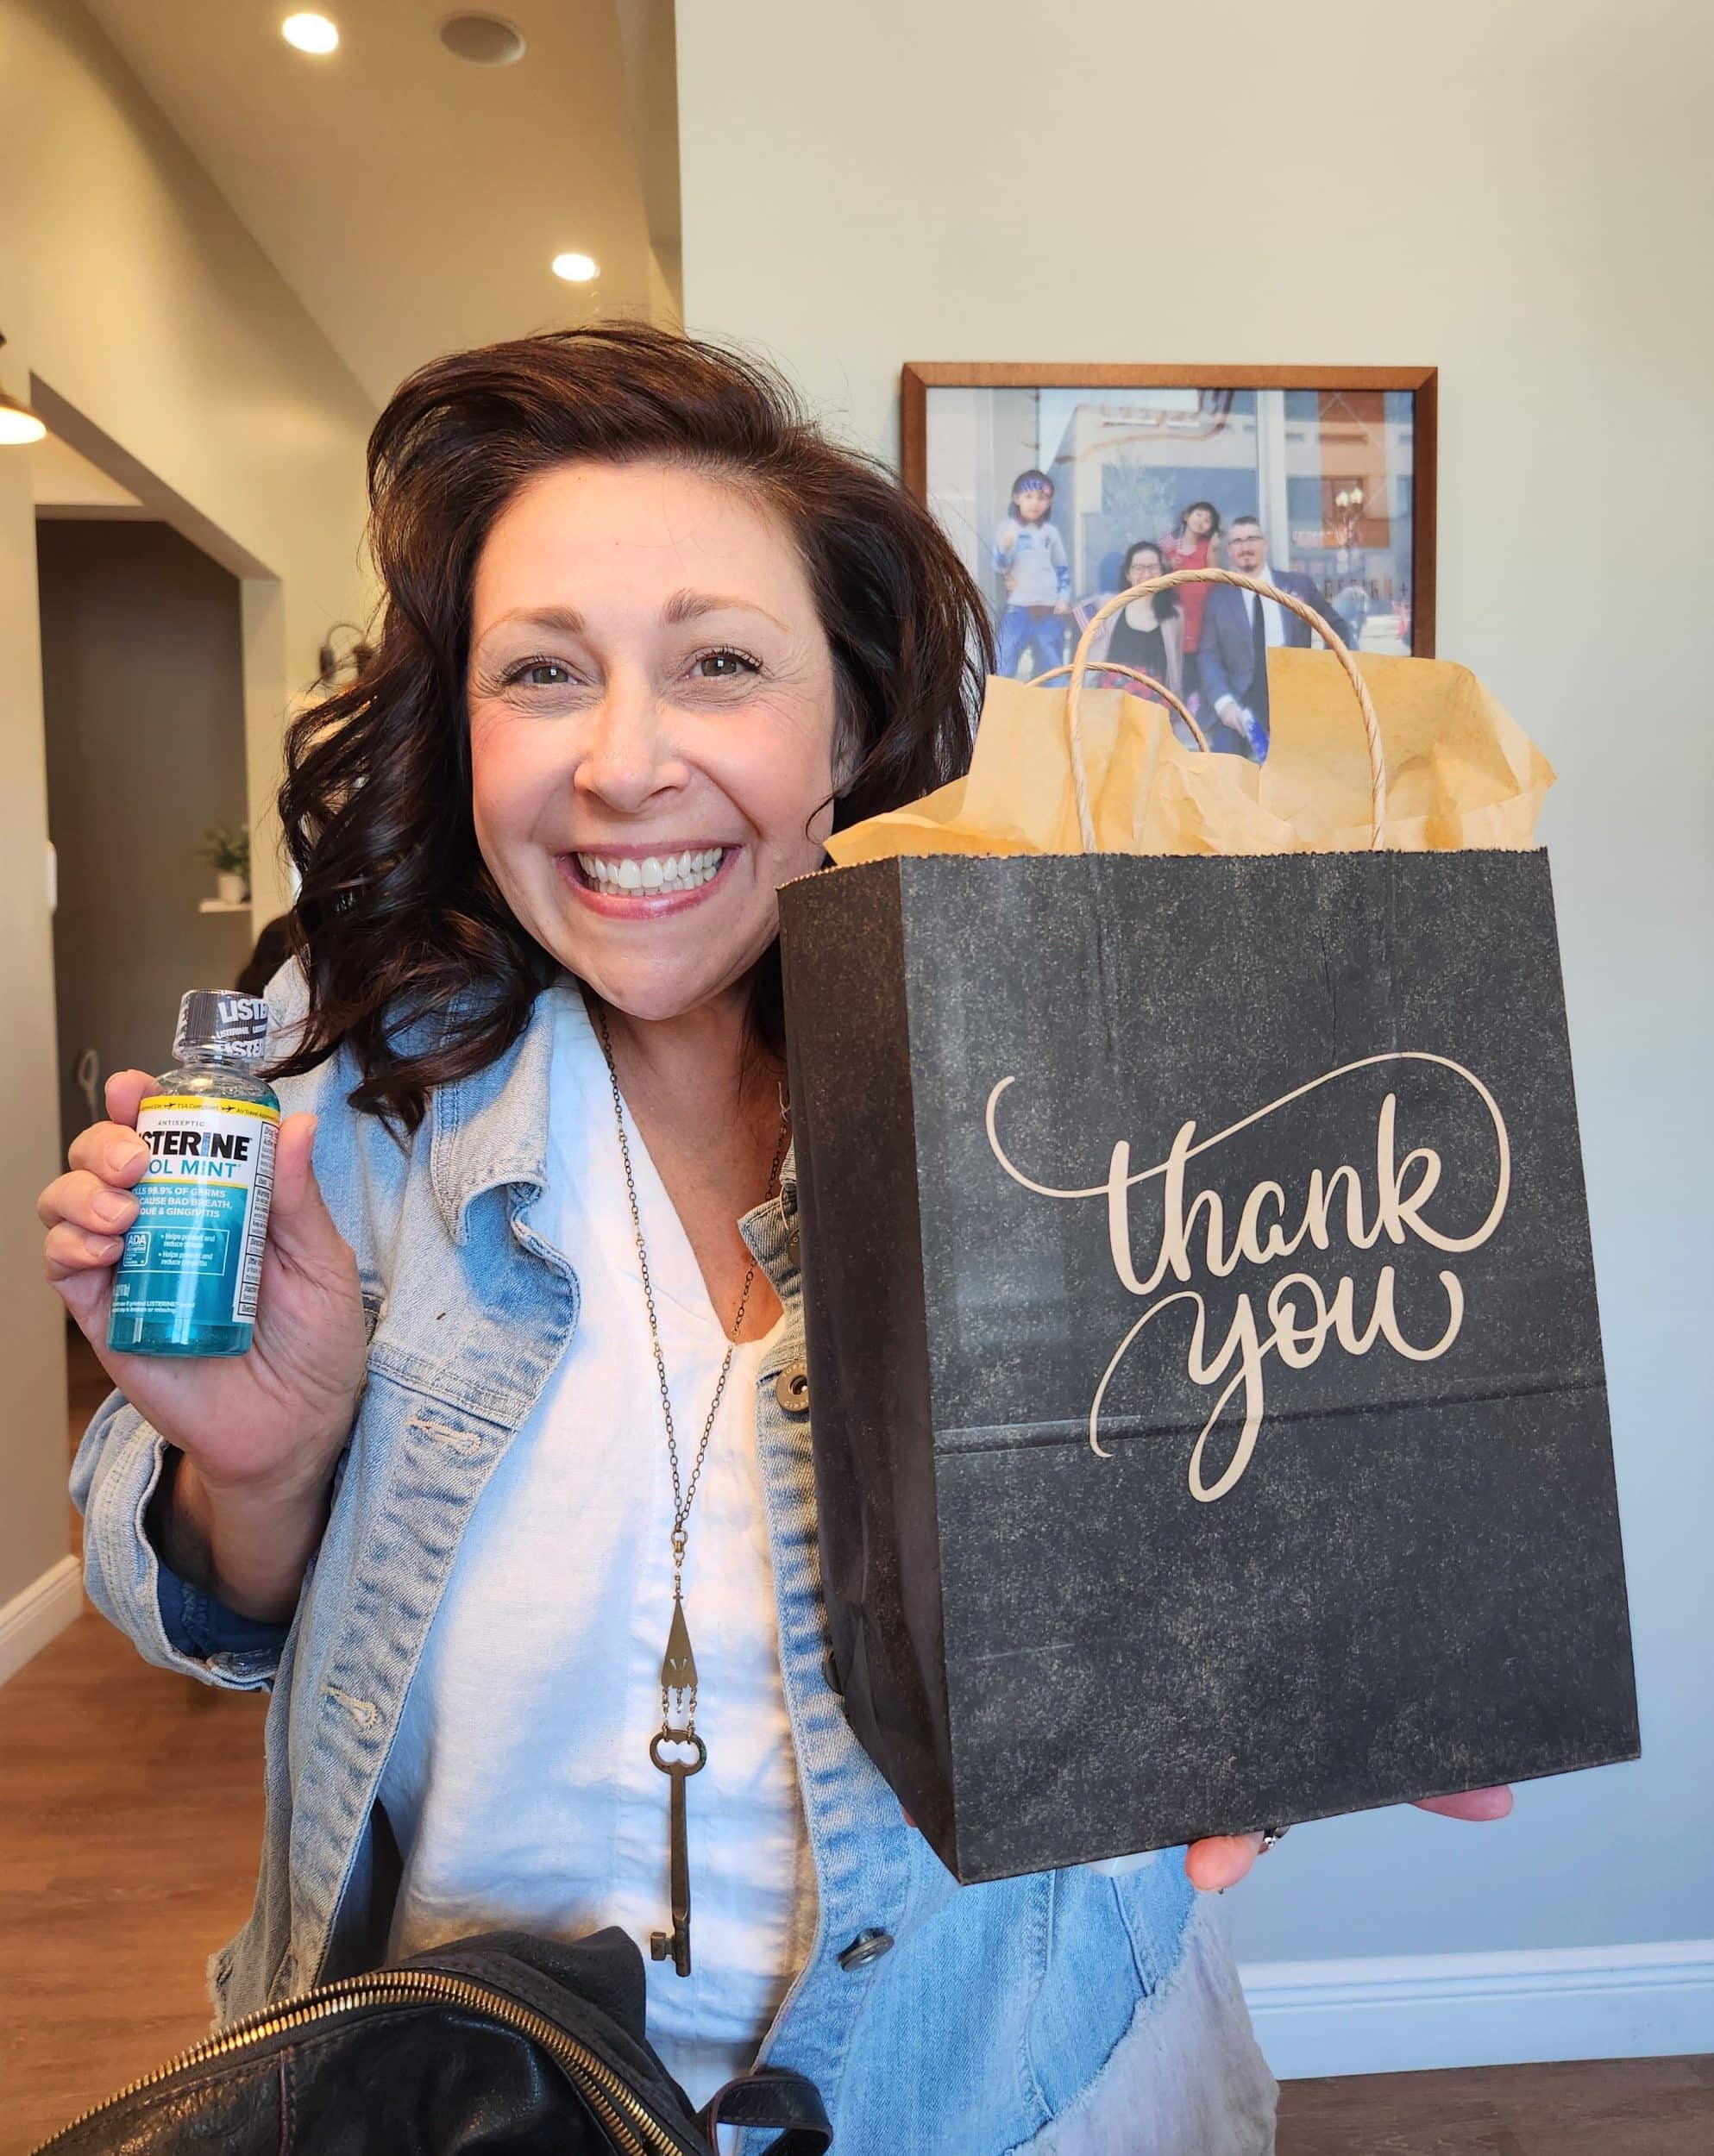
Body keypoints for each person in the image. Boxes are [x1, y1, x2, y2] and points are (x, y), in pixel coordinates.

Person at [42, 326, 1506, 2154]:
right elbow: (189, 1596)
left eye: (719, 663)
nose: (623, 764)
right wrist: (257, 1474)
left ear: (850, 720)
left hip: (1015, 2087)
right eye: (543, 673)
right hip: (461, 2101)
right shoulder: (347, 1111)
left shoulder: (1099, 1103)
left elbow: (1221, 1528)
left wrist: (1361, 1633)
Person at [1196, 514, 1347, 757]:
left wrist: (1323, 677)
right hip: (1238, 703)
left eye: (1252, 538)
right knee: (1225, 778)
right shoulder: (1218, 598)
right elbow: (1208, 656)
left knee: (1296, 778)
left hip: (1292, 699)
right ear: (1230, 551)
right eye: (1237, 542)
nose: (1245, 547)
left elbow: (1337, 629)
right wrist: (1224, 704)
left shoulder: (1298, 586)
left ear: (1265, 544)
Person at [1079, 539, 1192, 740]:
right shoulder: (1108, 607)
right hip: (1111, 708)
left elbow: (1177, 664)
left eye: (1153, 568)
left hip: (1155, 711)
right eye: (1139, 568)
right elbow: (1078, 627)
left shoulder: (1174, 616)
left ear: (1163, 572)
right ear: (1128, 573)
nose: (1146, 575)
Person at [993, 467, 1071, 678]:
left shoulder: (1050, 533)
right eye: (1028, 496)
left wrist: (1063, 598)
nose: (1035, 503)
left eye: (1042, 498)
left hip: (1049, 610)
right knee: (1004, 664)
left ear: (1050, 502)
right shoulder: (1007, 528)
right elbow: (999, 566)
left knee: (1052, 670)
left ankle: (1049, 710)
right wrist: (1006, 547)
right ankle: (1004, 708)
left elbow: (1062, 568)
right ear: (1016, 498)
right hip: (1017, 610)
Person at [1161, 499, 1221, 699]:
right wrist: (1167, 563)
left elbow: (1214, 579)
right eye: (1199, 515)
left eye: (1208, 520)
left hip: (1199, 619)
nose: (1202, 521)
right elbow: (1155, 576)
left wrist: (1213, 549)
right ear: (1186, 516)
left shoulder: (1206, 547)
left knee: (1193, 673)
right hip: (1173, 618)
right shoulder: (1168, 545)